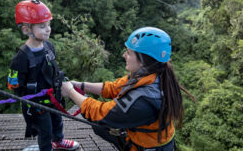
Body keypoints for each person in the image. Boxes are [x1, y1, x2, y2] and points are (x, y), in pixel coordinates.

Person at [61, 27, 192, 151]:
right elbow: (113, 87)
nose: (124, 55)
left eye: (129, 53)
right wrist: (79, 85)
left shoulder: (143, 101)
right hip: (149, 140)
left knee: (99, 121)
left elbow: (101, 114)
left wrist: (71, 92)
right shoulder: (153, 74)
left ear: (143, 60)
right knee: (99, 127)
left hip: (147, 147)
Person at [7, 0, 79, 151]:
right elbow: (13, 83)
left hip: (54, 97)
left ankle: (58, 140)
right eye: (42, 26)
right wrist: (27, 98)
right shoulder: (21, 58)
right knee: (44, 130)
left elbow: (53, 69)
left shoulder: (49, 46)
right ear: (26, 30)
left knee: (57, 120)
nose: (48, 29)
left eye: (48, 24)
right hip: (37, 102)